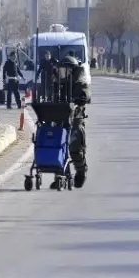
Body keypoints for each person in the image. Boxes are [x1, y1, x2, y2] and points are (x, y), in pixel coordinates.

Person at [51, 54, 91, 189]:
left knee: (74, 147)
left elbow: (85, 94)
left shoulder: (80, 81)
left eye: (65, 70)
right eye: (61, 70)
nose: (62, 73)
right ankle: (59, 175)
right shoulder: (58, 81)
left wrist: (80, 99)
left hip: (75, 117)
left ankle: (81, 171)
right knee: (56, 145)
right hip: (60, 115)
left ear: (72, 70)